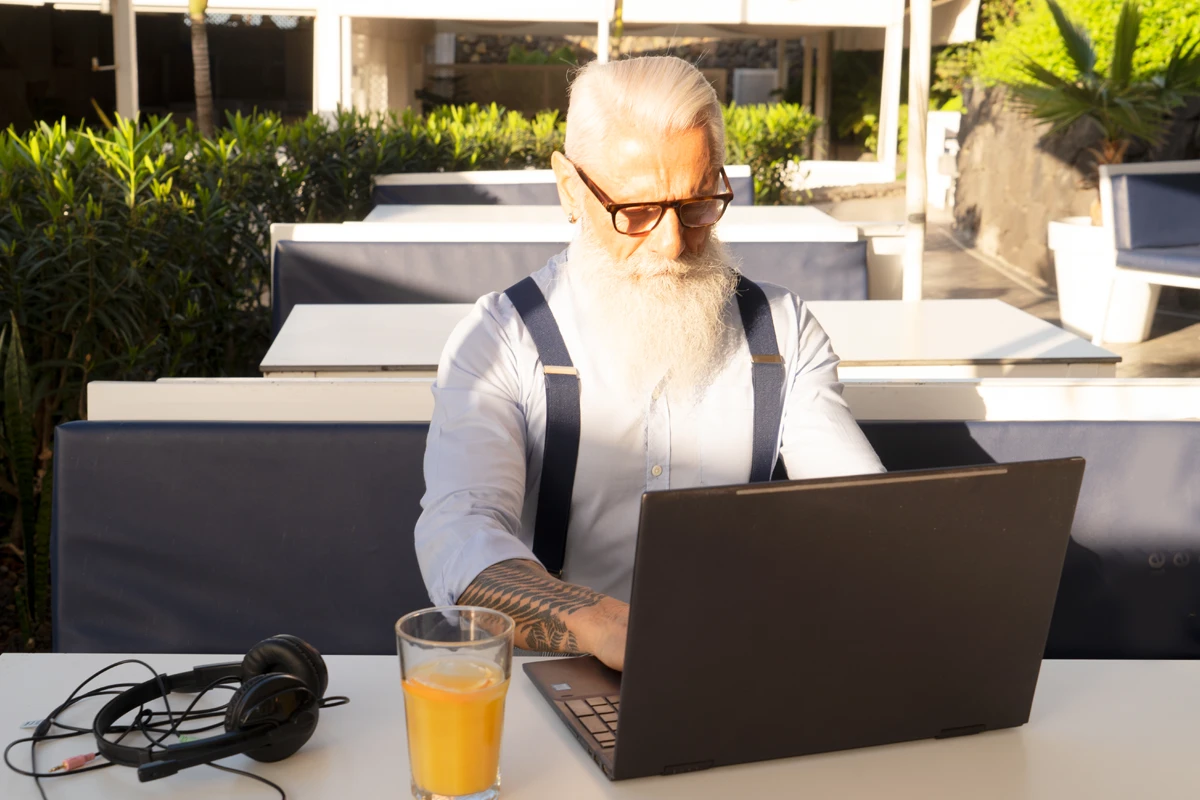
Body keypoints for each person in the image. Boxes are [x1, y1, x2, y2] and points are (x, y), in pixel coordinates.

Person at [414, 56, 884, 671]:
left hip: (741, 670)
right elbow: (459, 532)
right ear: (570, 189)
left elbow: (862, 515)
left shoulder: (784, 333)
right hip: (552, 679)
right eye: (636, 212)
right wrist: (596, 623)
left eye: (696, 203)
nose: (671, 242)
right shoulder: (502, 338)